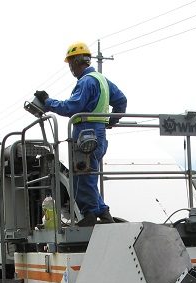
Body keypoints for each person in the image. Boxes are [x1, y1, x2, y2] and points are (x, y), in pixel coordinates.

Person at [35, 41, 127, 227]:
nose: (70, 69)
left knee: (82, 176)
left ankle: (91, 215)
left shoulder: (86, 81)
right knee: (88, 175)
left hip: (86, 133)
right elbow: (121, 100)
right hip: (98, 134)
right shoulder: (102, 80)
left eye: (70, 64)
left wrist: (47, 101)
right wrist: (110, 121)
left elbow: (72, 107)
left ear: (78, 62)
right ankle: (103, 212)